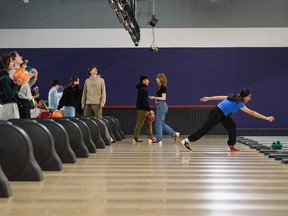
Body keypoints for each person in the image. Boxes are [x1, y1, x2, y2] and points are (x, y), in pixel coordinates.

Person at [181, 89, 275, 152]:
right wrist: (266, 118)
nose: (250, 98)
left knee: (232, 126)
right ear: (244, 97)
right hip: (217, 112)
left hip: (223, 114)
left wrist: (209, 98)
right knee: (205, 129)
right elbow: (252, 113)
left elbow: (221, 97)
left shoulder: (236, 97)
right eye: (249, 97)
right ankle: (187, 140)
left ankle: (231, 145)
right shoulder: (239, 102)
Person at [149, 73, 180, 145]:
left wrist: (155, 97)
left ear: (161, 79)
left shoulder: (163, 87)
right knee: (161, 123)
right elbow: (161, 98)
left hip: (162, 106)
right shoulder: (161, 87)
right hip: (161, 105)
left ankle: (158, 139)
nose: (156, 79)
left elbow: (164, 98)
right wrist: (157, 100)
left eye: (157, 78)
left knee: (158, 123)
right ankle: (174, 134)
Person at [9, 51, 38, 118]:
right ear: (14, 60)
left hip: (26, 101)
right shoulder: (13, 72)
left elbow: (27, 86)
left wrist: (34, 78)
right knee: (24, 123)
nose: (21, 57)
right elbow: (16, 88)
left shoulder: (21, 71)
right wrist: (28, 77)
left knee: (27, 123)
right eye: (18, 56)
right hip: (21, 100)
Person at [133, 75, 157, 143]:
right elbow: (144, 101)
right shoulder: (143, 89)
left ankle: (151, 137)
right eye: (147, 80)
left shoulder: (142, 88)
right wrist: (149, 110)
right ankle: (136, 137)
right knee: (140, 124)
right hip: (142, 109)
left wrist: (148, 110)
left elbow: (145, 100)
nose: (148, 81)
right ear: (143, 80)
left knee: (149, 123)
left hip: (144, 109)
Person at [0, 54, 22, 120]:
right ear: (6, 64)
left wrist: (18, 85)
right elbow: (9, 95)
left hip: (7, 106)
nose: (13, 63)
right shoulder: (5, 78)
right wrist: (16, 84)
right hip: (9, 107)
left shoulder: (4, 77)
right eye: (11, 61)